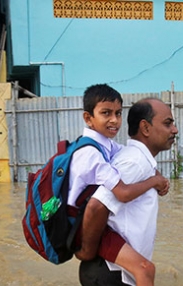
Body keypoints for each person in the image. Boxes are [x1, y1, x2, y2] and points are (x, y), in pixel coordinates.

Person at [79, 98, 178, 286]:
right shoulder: (134, 161)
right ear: (145, 128)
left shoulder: (136, 158)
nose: (174, 130)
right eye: (167, 123)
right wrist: (88, 251)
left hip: (106, 272)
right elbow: (95, 207)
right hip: (112, 276)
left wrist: (156, 178)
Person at [70, 84, 168, 263]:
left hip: (87, 220)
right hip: (78, 224)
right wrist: (154, 181)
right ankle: (86, 251)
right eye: (106, 113)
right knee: (144, 269)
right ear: (88, 118)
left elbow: (138, 154)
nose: (114, 120)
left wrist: (158, 175)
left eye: (118, 113)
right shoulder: (90, 153)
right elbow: (122, 193)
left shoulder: (106, 144)